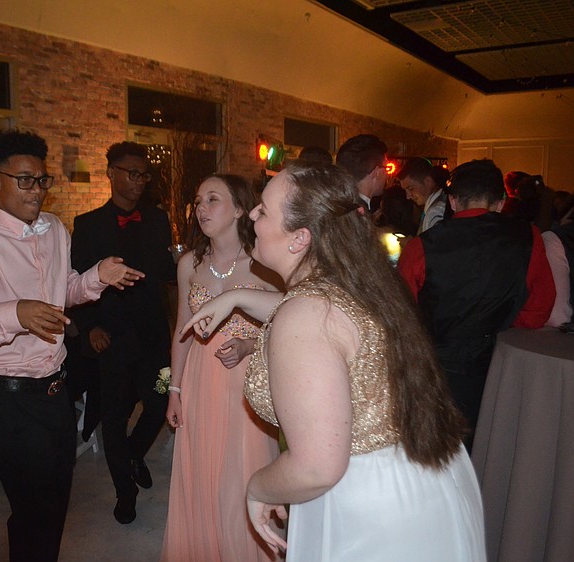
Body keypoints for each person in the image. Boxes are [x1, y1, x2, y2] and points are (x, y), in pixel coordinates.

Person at [185, 162, 485, 561]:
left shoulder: (307, 314)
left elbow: (315, 467)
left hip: (370, 505)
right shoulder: (349, 283)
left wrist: (258, 487)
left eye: (264, 211)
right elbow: (315, 314)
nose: (253, 215)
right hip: (423, 478)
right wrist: (234, 297)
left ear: (299, 239)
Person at [0, 130, 142, 561]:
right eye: (25, 180)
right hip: (10, 397)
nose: (36, 190)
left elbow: (63, 290)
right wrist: (16, 313)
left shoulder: (53, 229)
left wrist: (96, 278)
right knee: (33, 511)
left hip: (56, 390)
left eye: (42, 180)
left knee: (56, 504)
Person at [160, 174, 279, 561]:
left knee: (241, 477)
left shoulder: (264, 262)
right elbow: (181, 329)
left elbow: (291, 325)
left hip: (247, 387)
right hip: (199, 379)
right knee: (201, 477)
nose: (201, 208)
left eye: (213, 199)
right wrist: (174, 391)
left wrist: (249, 343)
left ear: (241, 208)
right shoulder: (189, 264)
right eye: (198, 201)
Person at [398, 159, 555, 448]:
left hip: (437, 372)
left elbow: (401, 316)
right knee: (489, 450)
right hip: (499, 369)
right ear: (500, 202)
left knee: (437, 454)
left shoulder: (422, 246)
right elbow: (538, 311)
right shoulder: (529, 238)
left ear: (454, 201)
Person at [70, 141, 176, 524]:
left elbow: (166, 270)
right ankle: (124, 491)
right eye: (132, 173)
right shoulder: (87, 225)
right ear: (111, 173)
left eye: (144, 174)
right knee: (113, 416)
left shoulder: (159, 219)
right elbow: (74, 283)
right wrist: (89, 327)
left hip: (153, 338)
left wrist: (189, 263)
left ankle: (132, 454)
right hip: (111, 338)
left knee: (160, 402)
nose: (139, 181)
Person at [335, 134, 388, 211]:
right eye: (386, 168)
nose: (387, 175)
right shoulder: (359, 214)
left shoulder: (338, 206)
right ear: (376, 172)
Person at [396, 157, 448, 234]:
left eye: (411, 189)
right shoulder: (438, 205)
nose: (408, 196)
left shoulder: (436, 211)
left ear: (428, 181)